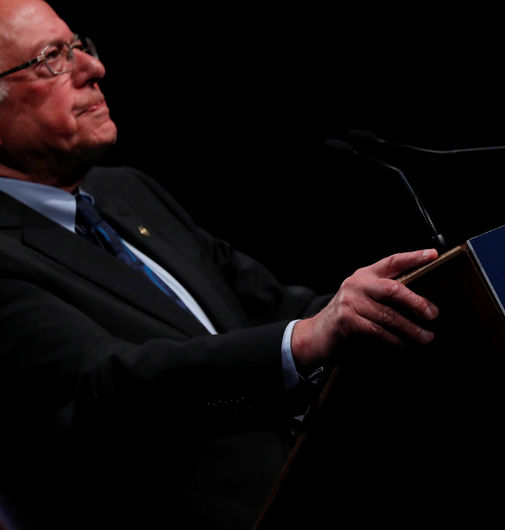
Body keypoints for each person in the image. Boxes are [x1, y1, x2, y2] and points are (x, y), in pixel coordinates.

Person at [0, 1, 440, 528]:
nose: (93, 69)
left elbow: (277, 306)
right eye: (51, 57)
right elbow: (108, 382)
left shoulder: (127, 192)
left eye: (79, 47)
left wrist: (425, 294)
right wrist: (301, 339)